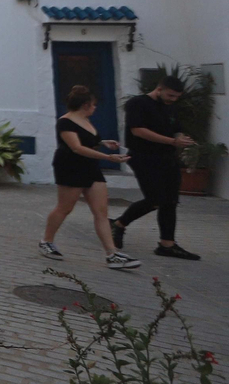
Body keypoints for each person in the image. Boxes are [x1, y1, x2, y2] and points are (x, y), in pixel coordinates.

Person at [39, 85, 140, 268]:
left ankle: (112, 254)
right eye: (93, 105)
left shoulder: (86, 120)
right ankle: (46, 241)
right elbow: (76, 147)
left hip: (91, 167)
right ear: (85, 105)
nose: (95, 108)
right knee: (65, 208)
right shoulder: (66, 122)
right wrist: (108, 157)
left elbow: (86, 140)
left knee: (101, 212)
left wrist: (101, 142)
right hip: (70, 167)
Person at [111, 75, 201, 260]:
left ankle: (167, 244)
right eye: (170, 95)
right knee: (155, 199)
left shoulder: (170, 107)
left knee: (170, 201)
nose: (173, 100)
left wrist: (182, 138)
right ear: (159, 89)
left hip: (167, 158)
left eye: (176, 97)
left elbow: (176, 127)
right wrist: (172, 141)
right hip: (143, 157)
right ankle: (119, 224)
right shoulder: (138, 104)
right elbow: (138, 131)